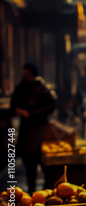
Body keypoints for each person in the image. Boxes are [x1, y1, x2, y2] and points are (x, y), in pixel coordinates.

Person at [10, 63, 56, 192]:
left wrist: (31, 113)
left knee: (36, 158)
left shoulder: (41, 87)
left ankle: (45, 189)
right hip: (26, 129)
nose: (26, 77)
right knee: (28, 160)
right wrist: (17, 110)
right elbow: (13, 105)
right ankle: (32, 190)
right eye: (25, 74)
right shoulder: (22, 86)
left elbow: (51, 104)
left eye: (28, 74)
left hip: (38, 128)